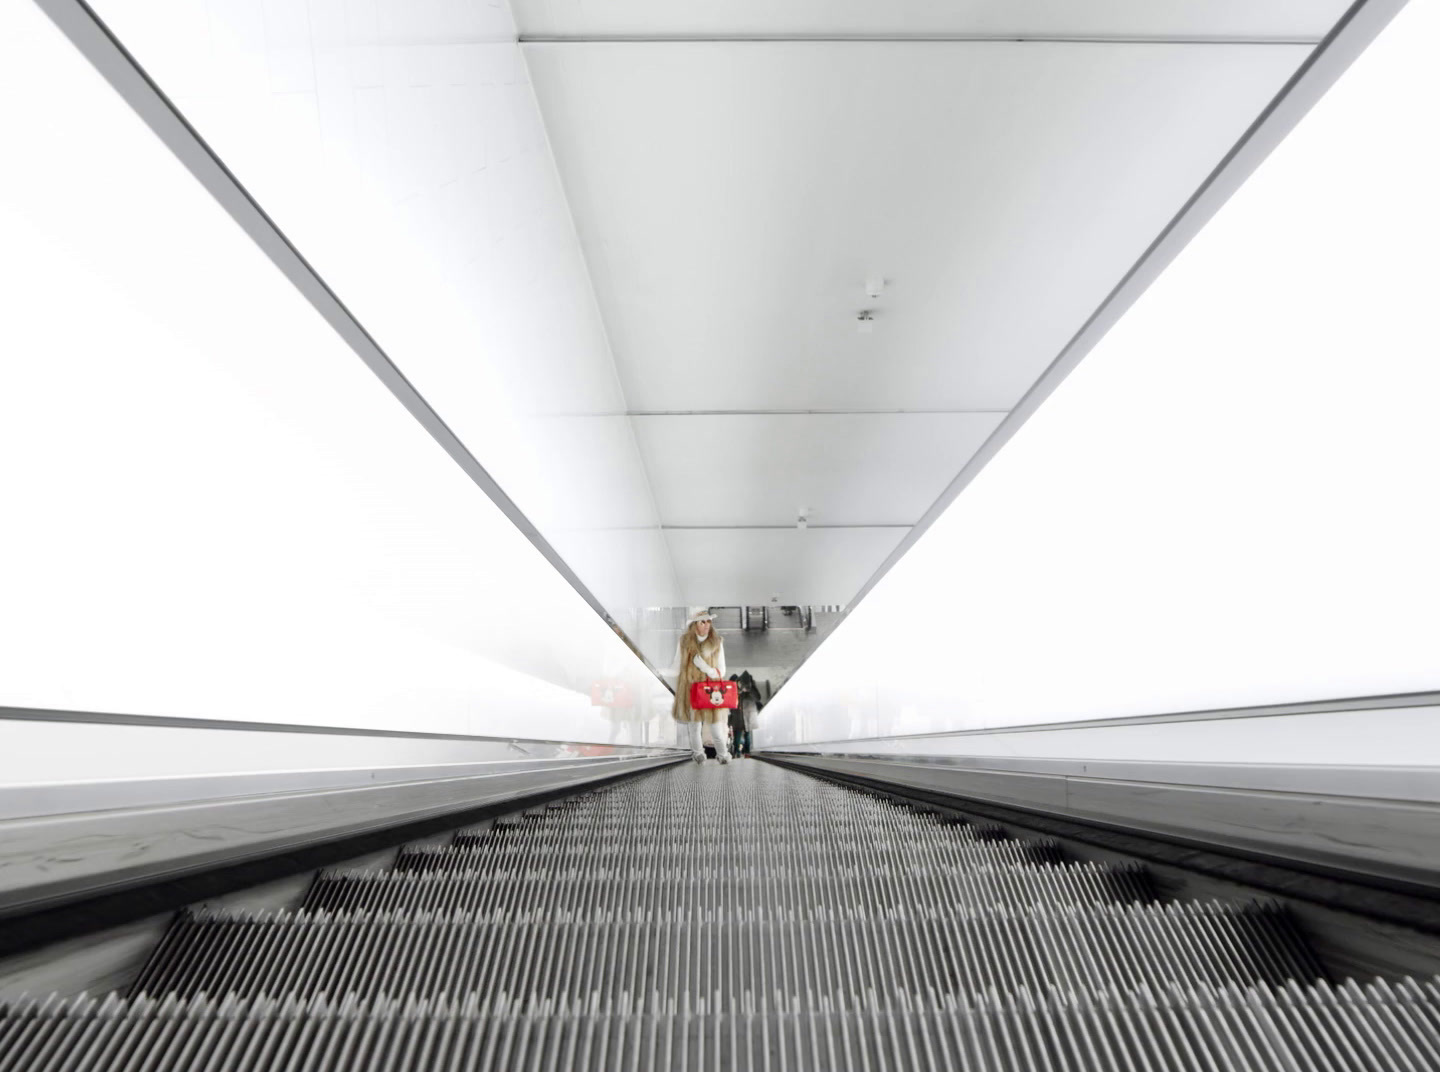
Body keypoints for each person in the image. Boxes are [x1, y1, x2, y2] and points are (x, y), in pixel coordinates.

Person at [673, 607, 730, 764]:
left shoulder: (717, 642)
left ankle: (723, 755)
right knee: (694, 727)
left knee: (716, 729)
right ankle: (698, 755)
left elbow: (721, 672)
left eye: (709, 622)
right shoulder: (684, 642)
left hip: (711, 691)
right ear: (694, 625)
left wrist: (704, 667)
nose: (706, 625)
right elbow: (676, 666)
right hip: (691, 690)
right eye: (702, 622)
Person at [728, 671, 760, 758]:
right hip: (739, 714)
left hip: (745, 714)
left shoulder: (747, 689)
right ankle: (741, 752)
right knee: (741, 734)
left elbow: (756, 697)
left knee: (744, 734)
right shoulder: (738, 689)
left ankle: (742, 752)